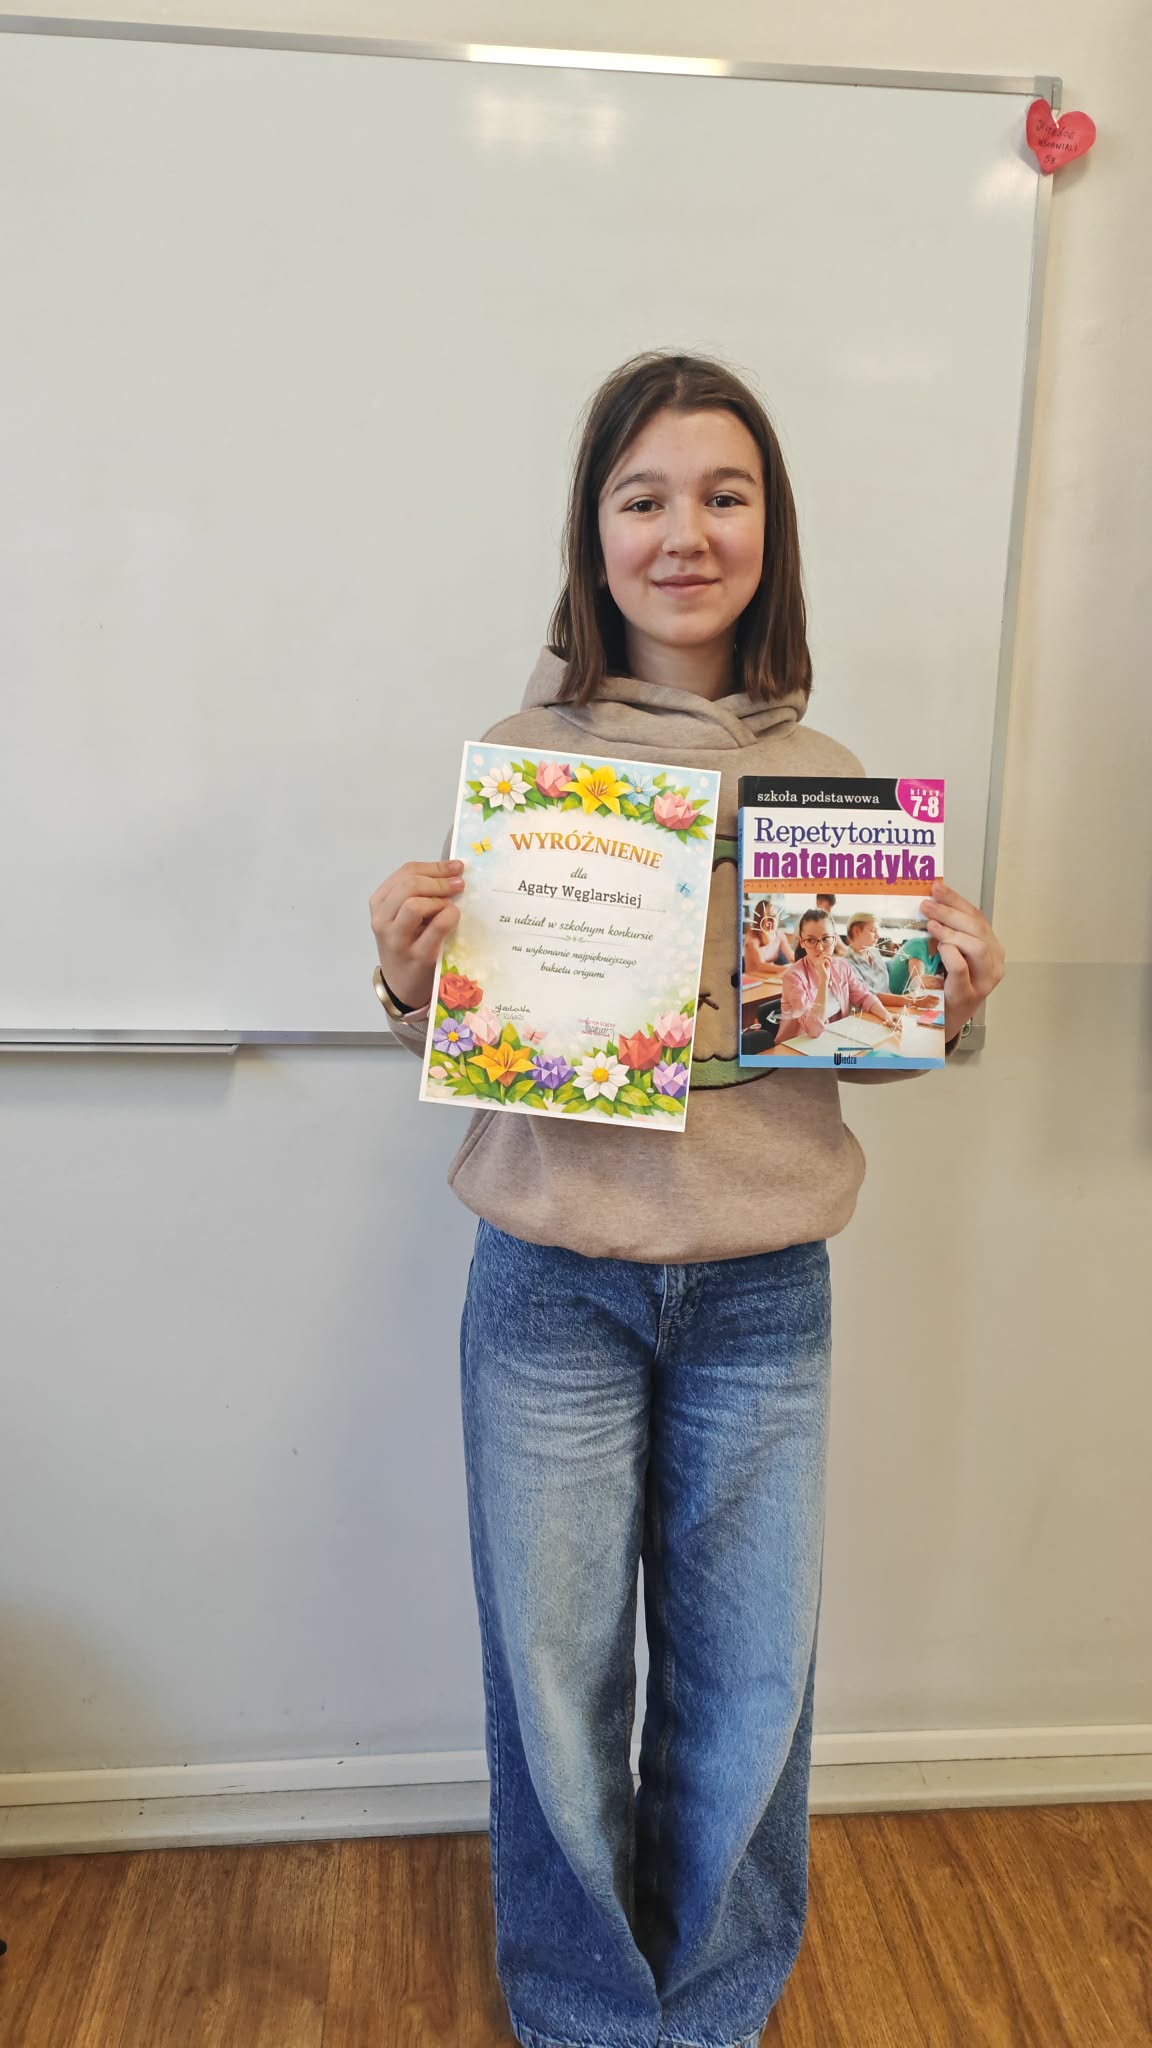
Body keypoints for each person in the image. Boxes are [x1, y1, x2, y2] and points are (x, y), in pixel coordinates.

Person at [368, 352, 1004, 2048]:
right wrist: (410, 975)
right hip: (550, 1286)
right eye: (642, 496)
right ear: (592, 532)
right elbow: (487, 1039)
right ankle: (587, 2013)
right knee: (554, 1677)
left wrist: (943, 995)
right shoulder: (527, 767)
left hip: (760, 1295)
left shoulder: (829, 775)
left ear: (769, 530)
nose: (684, 533)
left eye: (724, 495)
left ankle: (711, 2009)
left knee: (749, 1682)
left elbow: (852, 1051)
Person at [776, 910, 898, 1048]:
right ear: (802, 942)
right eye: (810, 940)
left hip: (832, 1040)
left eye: (826, 939)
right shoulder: (793, 977)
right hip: (796, 1047)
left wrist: (886, 1015)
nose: (820, 948)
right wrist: (823, 981)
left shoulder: (841, 965)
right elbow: (813, 1029)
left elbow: (864, 997)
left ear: (834, 939)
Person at [843, 911, 934, 1009]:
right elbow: (870, 996)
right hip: (868, 1012)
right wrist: (911, 1001)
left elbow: (885, 989)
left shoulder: (874, 953)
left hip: (888, 1007)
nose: (878, 936)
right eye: (873, 931)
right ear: (856, 931)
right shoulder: (847, 965)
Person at [888, 927, 946, 996]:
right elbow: (918, 982)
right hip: (897, 995)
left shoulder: (938, 954)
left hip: (909, 996)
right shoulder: (918, 946)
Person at [743, 899, 795, 973]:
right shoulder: (752, 937)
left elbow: (792, 957)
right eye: (768, 918)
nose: (773, 921)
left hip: (769, 976)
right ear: (759, 920)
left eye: (775, 916)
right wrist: (787, 969)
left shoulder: (779, 935)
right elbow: (761, 965)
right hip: (752, 977)